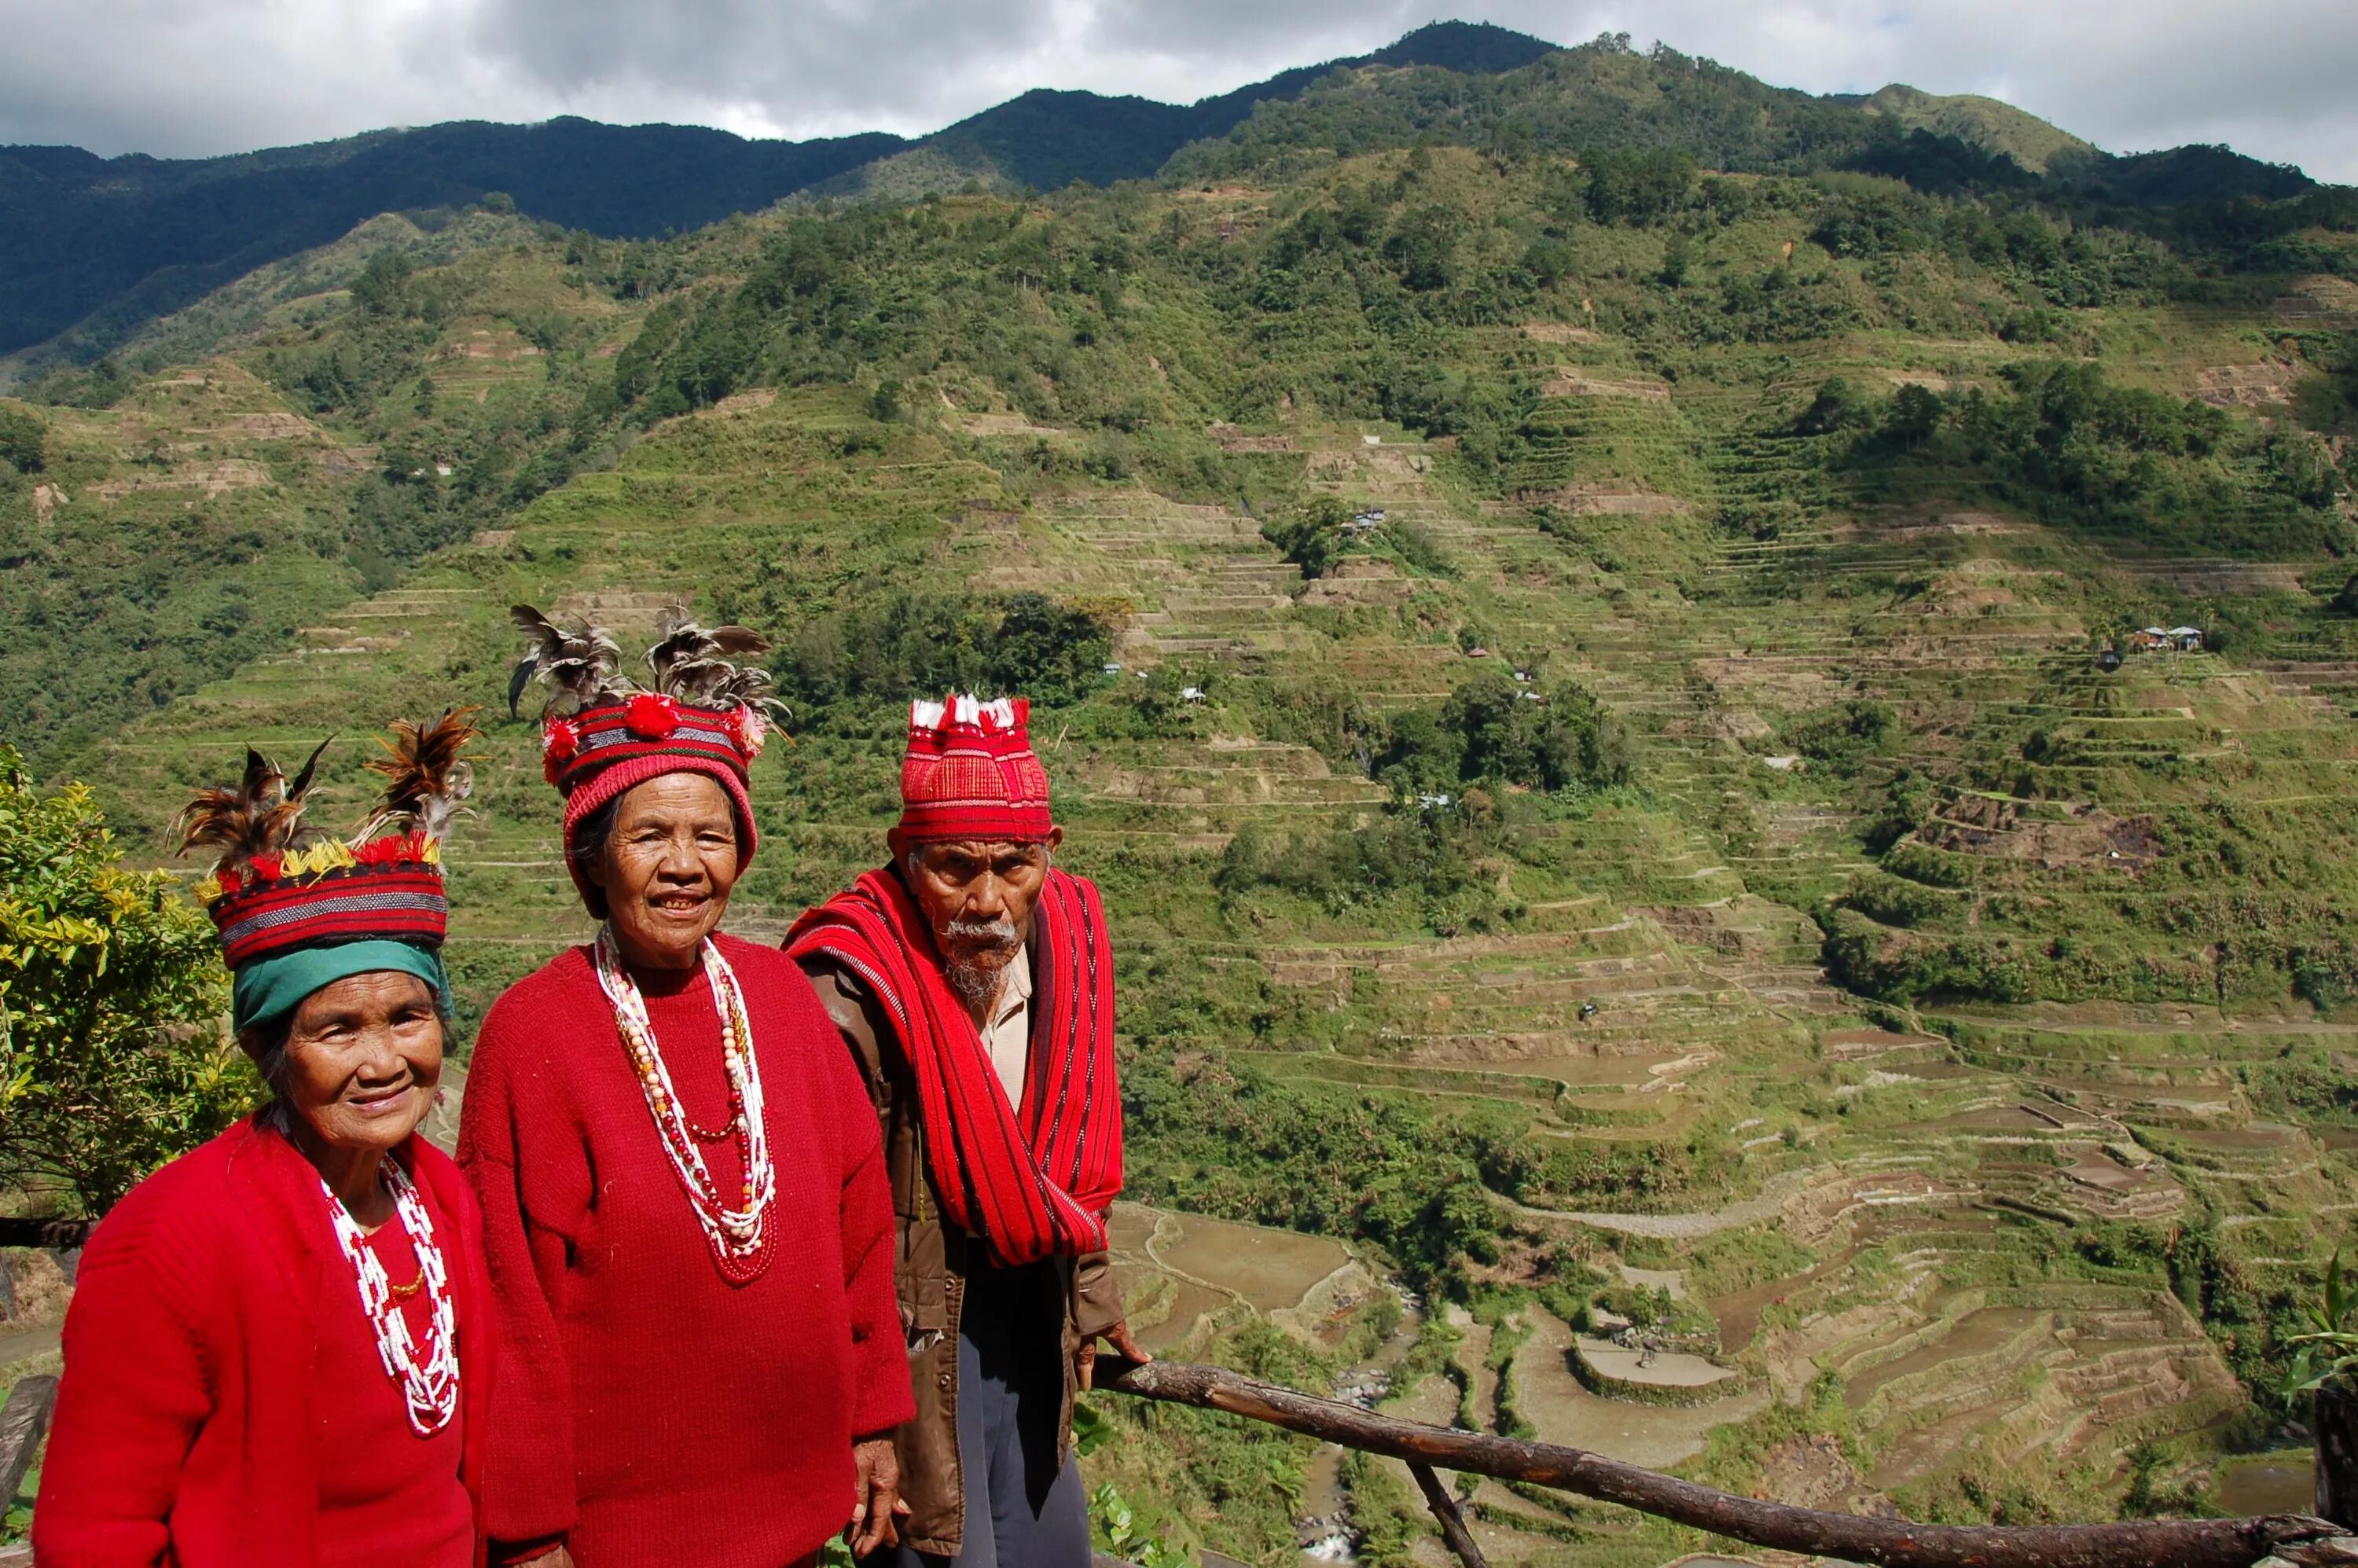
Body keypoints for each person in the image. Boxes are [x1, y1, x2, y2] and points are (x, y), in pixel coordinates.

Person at [460, 607, 913, 1568]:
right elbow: (511, 1303)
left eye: (710, 836)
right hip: (621, 1531)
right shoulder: (535, 1033)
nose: (683, 865)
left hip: (797, 1504)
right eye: (650, 836)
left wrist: (873, 1419)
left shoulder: (782, 1000)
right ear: (592, 860)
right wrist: (528, 1526)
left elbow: (860, 1222)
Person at [36, 715, 495, 1568]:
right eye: (336, 1031)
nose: (384, 1061)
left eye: (408, 1017)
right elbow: (93, 1532)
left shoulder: (438, 1197)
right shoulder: (170, 1242)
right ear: (266, 1048)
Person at [788, 693, 1147, 1567]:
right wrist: (862, 1415)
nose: (985, 901)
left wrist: (1087, 1299)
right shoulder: (849, 997)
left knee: (1051, 1550)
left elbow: (1074, 1153)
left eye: (1013, 867)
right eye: (954, 868)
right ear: (905, 858)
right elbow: (825, 1231)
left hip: (1027, 1320)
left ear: (1049, 858)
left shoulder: (1075, 948)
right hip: (914, 1340)